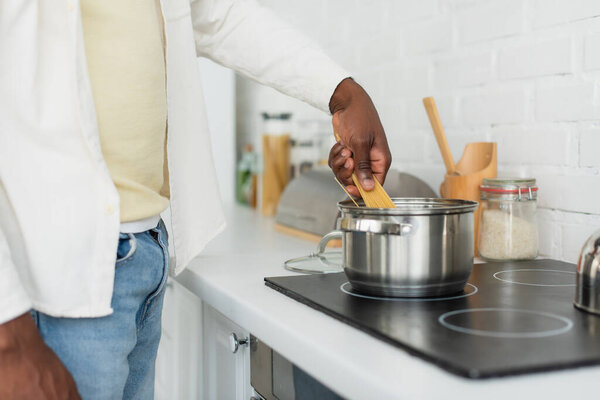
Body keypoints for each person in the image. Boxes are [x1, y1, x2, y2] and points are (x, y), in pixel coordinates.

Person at [0, 0, 391, 398]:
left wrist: (341, 91)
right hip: (54, 275)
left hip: (144, 250)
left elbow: (216, 16)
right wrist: (7, 338)